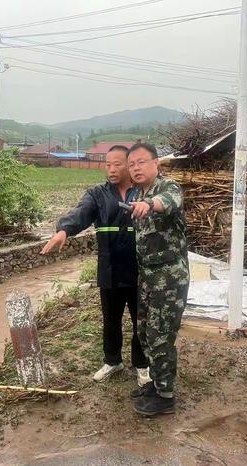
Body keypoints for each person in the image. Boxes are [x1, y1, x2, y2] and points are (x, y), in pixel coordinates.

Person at [41, 145, 150, 387]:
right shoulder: (97, 194)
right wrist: (64, 230)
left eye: (117, 164)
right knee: (110, 320)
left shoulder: (144, 193)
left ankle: (142, 365)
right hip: (109, 269)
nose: (111, 169)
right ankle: (112, 361)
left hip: (140, 270)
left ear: (129, 164)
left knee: (140, 321)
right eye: (107, 164)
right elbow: (81, 213)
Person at [127, 143, 189, 417]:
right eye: (132, 164)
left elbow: (169, 203)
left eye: (141, 162)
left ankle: (166, 396)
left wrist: (149, 204)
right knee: (144, 333)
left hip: (169, 278)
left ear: (155, 164)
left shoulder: (168, 188)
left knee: (160, 335)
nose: (136, 168)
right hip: (148, 277)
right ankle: (155, 382)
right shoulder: (138, 193)